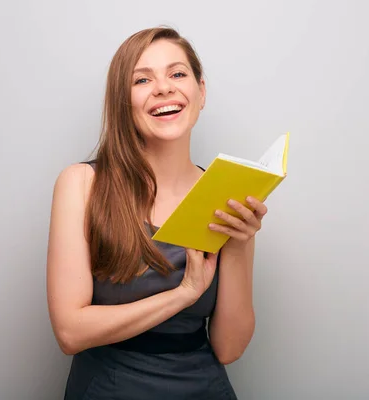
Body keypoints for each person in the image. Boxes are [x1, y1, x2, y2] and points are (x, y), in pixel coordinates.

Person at [46, 26, 268, 400]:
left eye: (177, 74)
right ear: (122, 100)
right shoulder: (81, 184)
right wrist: (183, 294)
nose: (164, 88)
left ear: (201, 92)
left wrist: (242, 244)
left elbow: (229, 348)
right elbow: (70, 332)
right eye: (142, 79)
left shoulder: (226, 195)